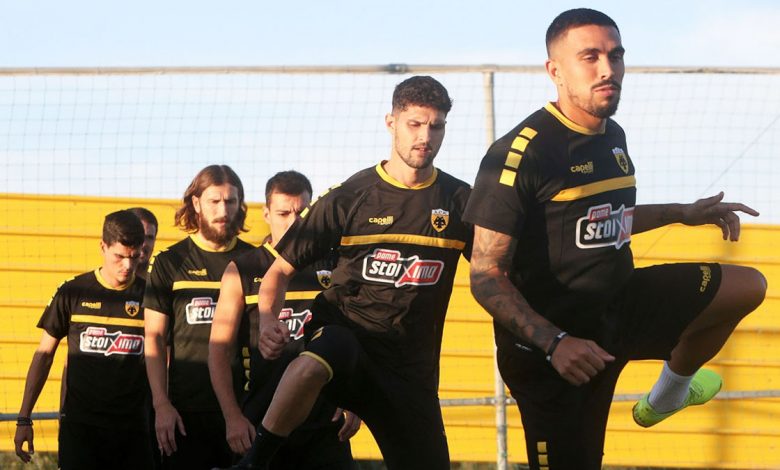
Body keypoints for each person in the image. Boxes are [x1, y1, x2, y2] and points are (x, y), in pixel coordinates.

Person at [463, 8, 768, 470]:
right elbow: (485, 276)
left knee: (747, 287)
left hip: (620, 309)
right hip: (555, 351)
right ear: (555, 70)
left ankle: (670, 393)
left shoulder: (614, 136)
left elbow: (608, 220)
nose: (608, 69)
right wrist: (555, 343)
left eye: (616, 56)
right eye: (590, 57)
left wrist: (681, 214)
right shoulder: (521, 154)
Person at [232, 76, 472, 470]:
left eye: (436, 126)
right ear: (391, 123)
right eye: (414, 124)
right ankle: (254, 462)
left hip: (410, 368)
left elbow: (493, 272)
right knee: (318, 358)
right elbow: (278, 272)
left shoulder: (460, 200)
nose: (425, 137)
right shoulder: (348, 197)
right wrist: (269, 320)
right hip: (348, 341)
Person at [209, 170, 360, 469]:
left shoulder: (335, 263)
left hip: (324, 422)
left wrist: (355, 401)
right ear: (266, 214)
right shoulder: (243, 268)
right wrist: (232, 416)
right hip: (261, 420)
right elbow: (219, 350)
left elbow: (355, 336)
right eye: (283, 213)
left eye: (301, 213)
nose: (293, 222)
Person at [14, 210, 153, 470]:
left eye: (134, 257)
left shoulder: (151, 297)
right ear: (103, 247)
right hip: (81, 429)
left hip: (134, 429)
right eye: (119, 256)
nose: (127, 265)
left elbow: (166, 359)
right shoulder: (72, 291)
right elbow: (44, 355)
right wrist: (24, 417)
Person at [144, 165, 255, 469]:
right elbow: (154, 338)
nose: (223, 211)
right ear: (196, 203)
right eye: (214, 201)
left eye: (230, 201)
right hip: (185, 412)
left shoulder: (254, 260)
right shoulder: (170, 262)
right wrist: (161, 404)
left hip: (245, 408)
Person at [128, 206, 160, 279]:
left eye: (149, 237)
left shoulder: (163, 282)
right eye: (138, 236)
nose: (144, 244)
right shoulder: (104, 283)